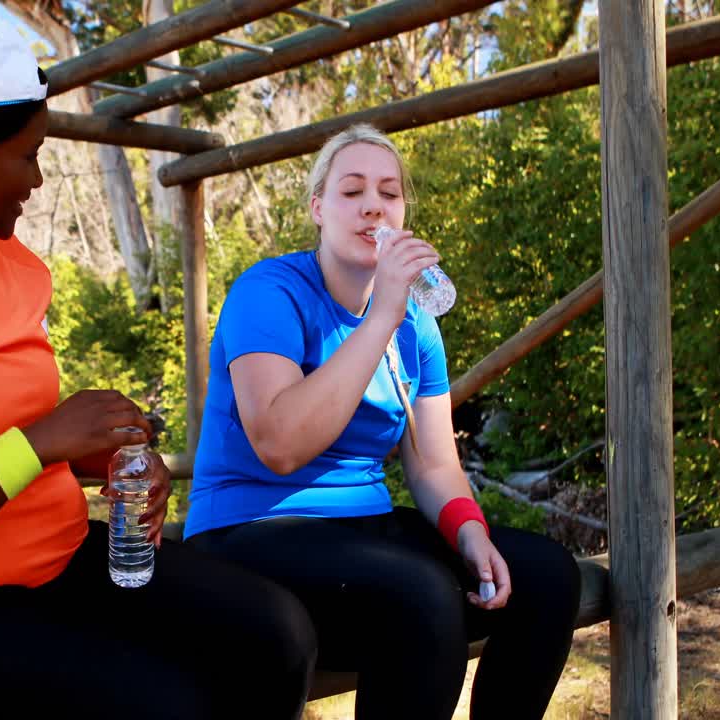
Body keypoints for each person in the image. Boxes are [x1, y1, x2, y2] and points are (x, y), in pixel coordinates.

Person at [0, 15, 315, 719]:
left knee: (278, 634)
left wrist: (107, 455)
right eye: (28, 155)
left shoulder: (12, 265)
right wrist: (39, 443)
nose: (39, 178)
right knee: (173, 705)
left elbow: (5, 432)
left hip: (56, 561)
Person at [184, 123, 581, 719]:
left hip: (363, 532)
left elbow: (434, 463)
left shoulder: (416, 323)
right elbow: (279, 444)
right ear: (318, 209)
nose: (373, 205)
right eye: (352, 191)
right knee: (422, 595)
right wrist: (382, 316)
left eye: (389, 193)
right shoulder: (268, 292)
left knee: (547, 577)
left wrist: (470, 532)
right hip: (250, 528)